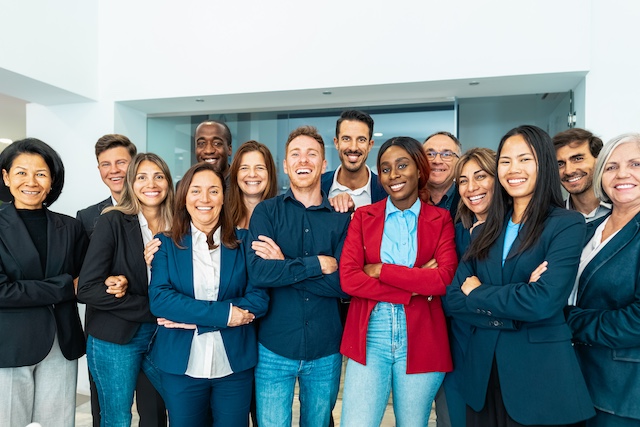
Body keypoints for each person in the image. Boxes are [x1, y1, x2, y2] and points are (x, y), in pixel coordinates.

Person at [444, 125, 595, 426]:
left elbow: (544, 302)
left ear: (544, 164)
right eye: (506, 160)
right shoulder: (484, 230)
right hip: (484, 380)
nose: (514, 169)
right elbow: (453, 300)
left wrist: (479, 292)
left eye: (525, 159)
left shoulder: (566, 224)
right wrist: (518, 295)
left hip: (540, 381)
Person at [339, 136, 458, 426]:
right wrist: (415, 286)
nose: (394, 175)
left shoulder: (440, 219)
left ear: (419, 169)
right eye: (386, 168)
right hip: (370, 334)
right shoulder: (363, 217)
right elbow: (349, 279)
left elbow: (443, 279)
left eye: (402, 165)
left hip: (422, 334)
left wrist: (381, 270)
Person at [147, 162, 268, 426]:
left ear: (224, 197)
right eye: (196, 191)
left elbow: (259, 298)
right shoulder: (165, 243)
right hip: (181, 365)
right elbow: (160, 300)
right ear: (184, 198)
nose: (205, 199)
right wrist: (224, 314)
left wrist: (191, 319)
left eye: (213, 191)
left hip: (234, 364)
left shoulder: (245, 241)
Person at [247, 125, 351, 427]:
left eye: (312, 154)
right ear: (285, 164)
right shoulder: (266, 212)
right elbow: (260, 271)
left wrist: (285, 264)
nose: (303, 160)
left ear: (324, 164)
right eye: (295, 154)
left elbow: (344, 283)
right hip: (273, 348)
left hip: (325, 350)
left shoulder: (341, 216)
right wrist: (316, 264)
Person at [77, 153, 173, 426]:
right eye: (141, 177)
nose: (150, 184)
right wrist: (151, 308)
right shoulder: (113, 221)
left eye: (158, 176)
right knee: (117, 417)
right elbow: (87, 288)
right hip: (116, 337)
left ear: (168, 182)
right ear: (131, 183)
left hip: (165, 335)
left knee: (172, 409)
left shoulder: (179, 225)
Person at [0, 138, 88, 426]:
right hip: (10, 345)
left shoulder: (71, 227)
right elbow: (2, 292)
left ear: (51, 181)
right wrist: (64, 286)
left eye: (41, 174)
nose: (31, 181)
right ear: (6, 177)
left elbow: (86, 280)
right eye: (21, 172)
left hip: (62, 343)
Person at [565, 133, 640, 426]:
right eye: (611, 166)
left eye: (635, 164)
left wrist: (568, 320)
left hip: (622, 392)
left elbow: (636, 321)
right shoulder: (586, 229)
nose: (622, 173)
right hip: (575, 380)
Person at [321, 110, 387, 209]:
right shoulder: (318, 186)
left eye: (361, 140)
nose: (353, 147)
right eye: (346, 139)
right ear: (336, 143)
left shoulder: (386, 189)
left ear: (370, 145)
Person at [76, 134, 137, 237]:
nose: (114, 170)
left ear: (135, 165)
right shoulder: (86, 217)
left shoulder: (154, 210)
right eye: (106, 164)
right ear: (99, 168)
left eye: (121, 162)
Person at [553, 128, 610, 225]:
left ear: (599, 160)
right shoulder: (552, 219)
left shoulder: (624, 210)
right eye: (560, 164)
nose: (569, 171)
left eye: (578, 159)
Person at [227, 140, 279, 229]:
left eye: (259, 168)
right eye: (244, 168)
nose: (252, 174)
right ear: (236, 174)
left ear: (269, 173)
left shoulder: (283, 217)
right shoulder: (224, 215)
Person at [423, 131, 462, 219]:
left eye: (446, 155)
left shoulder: (469, 199)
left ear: (459, 162)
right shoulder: (407, 197)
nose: (437, 161)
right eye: (430, 154)